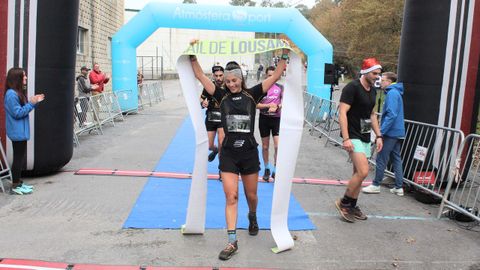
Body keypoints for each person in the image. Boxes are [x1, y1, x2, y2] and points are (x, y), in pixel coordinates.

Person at [189, 39, 289, 260]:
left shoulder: (253, 94)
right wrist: (192, 53)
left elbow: (275, 76)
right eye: (228, 81)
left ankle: (252, 215)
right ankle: (232, 240)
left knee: (251, 195)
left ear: (241, 79)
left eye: (234, 80)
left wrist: (284, 53)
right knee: (231, 196)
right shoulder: (220, 94)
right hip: (229, 155)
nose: (231, 84)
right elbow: (199, 75)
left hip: (248, 153)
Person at [335, 58, 383, 223]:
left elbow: (372, 115)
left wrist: (378, 135)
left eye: (379, 74)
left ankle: (352, 205)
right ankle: (344, 202)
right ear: (365, 72)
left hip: (364, 134)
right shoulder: (352, 87)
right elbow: (342, 113)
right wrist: (346, 137)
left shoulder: (373, 90)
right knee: (364, 171)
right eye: (374, 73)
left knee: (358, 174)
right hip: (352, 135)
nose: (377, 76)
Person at [362, 72, 405, 196]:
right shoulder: (395, 92)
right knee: (396, 159)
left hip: (390, 132)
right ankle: (398, 187)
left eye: (383, 79)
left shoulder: (392, 93)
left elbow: (391, 114)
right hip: (397, 132)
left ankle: (376, 185)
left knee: (381, 158)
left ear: (389, 81)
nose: (380, 81)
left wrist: (381, 133)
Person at [4, 67, 45, 195]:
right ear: (17, 78)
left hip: (20, 132)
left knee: (20, 159)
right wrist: (32, 103)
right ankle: (15, 185)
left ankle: (18, 182)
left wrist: (34, 101)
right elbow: (17, 113)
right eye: (24, 76)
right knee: (18, 159)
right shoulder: (11, 94)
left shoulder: (16, 93)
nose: (26, 78)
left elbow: (23, 108)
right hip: (17, 133)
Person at [257, 66, 283, 182]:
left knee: (278, 146)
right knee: (265, 146)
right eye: (269, 75)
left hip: (277, 119)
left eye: (274, 75)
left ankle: (276, 170)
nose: (271, 77)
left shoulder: (280, 87)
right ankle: (267, 168)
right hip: (264, 119)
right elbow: (256, 104)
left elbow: (285, 102)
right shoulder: (262, 88)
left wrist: (277, 106)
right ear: (266, 76)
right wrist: (268, 106)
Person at [200, 65, 225, 180]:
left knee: (221, 144)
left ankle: (221, 170)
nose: (219, 78)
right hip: (210, 117)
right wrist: (202, 103)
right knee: (209, 146)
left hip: (222, 119)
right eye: (216, 76)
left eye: (221, 75)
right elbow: (201, 98)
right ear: (213, 76)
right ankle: (214, 151)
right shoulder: (209, 86)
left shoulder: (228, 86)